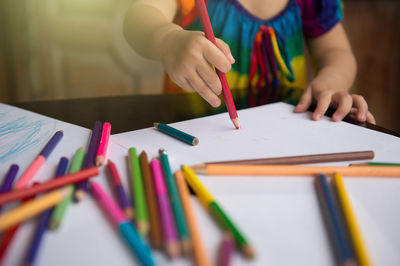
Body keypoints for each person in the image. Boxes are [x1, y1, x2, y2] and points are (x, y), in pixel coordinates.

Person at [123, 0, 375, 123]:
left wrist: (330, 82)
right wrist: (167, 39)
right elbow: (139, 17)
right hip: (188, 133)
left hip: (282, 136)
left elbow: (336, 52)